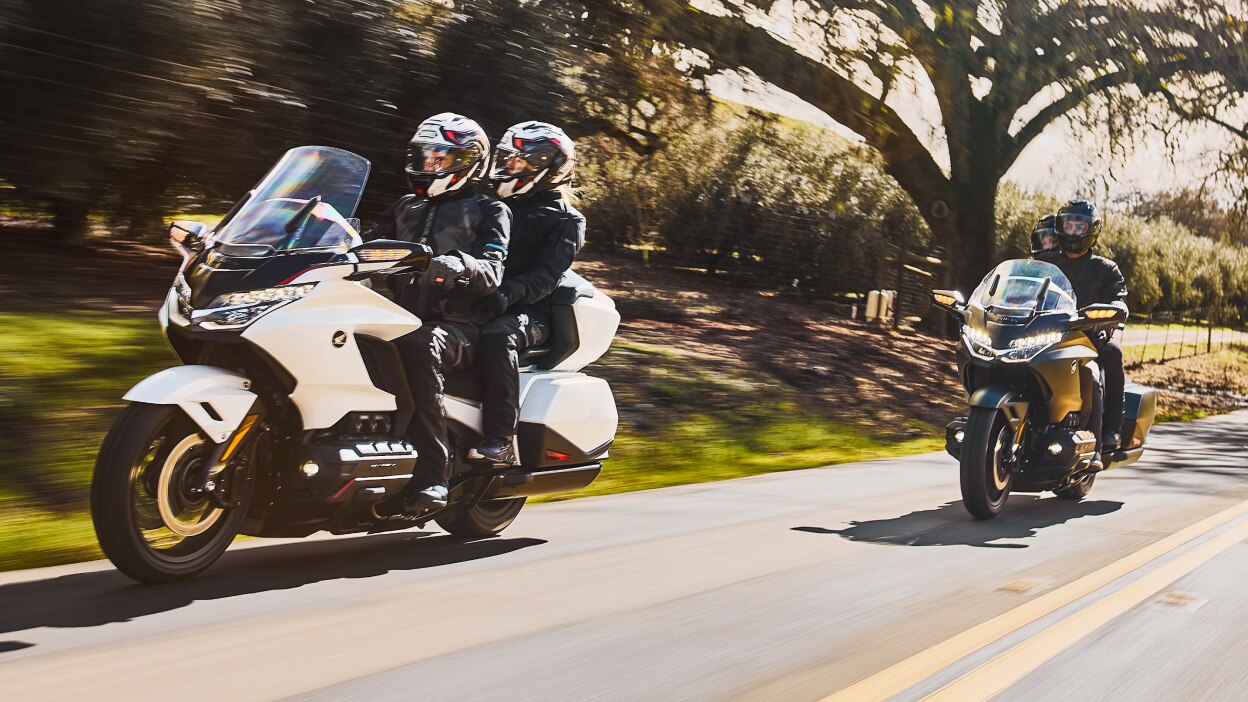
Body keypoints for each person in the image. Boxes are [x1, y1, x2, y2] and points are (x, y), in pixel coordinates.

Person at [368, 112, 512, 515]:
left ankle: (434, 475)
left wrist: (459, 266)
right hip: (392, 316)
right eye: (424, 156)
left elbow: (494, 270)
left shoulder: (489, 211)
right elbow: (364, 244)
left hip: (458, 329)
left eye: (440, 159)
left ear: (469, 162)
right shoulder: (404, 207)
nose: (428, 165)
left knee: (418, 344)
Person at [468, 121, 584, 464]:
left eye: (518, 161)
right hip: (480, 296)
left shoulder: (567, 220)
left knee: (497, 335)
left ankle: (501, 438)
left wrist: (505, 295)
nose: (508, 167)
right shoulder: (488, 204)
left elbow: (546, 277)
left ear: (546, 168)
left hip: (531, 313)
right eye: (506, 159)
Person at [1035, 199, 1128, 466]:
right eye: (1069, 225)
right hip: (1045, 336)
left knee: (1100, 364)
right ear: (1060, 227)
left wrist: (1115, 312)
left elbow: (1119, 298)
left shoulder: (1105, 268)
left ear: (1091, 230)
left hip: (1088, 339)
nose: (1074, 231)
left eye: (1080, 225)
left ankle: (1104, 437)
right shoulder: (1044, 262)